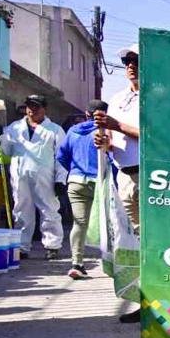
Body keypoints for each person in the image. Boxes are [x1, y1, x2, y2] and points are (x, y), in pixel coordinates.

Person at [0, 94, 66, 259]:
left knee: (49, 209)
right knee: (21, 211)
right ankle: (22, 246)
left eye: (36, 106)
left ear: (44, 108)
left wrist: (60, 180)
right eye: (30, 105)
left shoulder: (55, 130)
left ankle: (52, 246)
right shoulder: (14, 128)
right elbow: (5, 151)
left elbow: (61, 157)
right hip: (20, 176)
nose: (32, 109)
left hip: (45, 177)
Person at [95, 44, 141, 234]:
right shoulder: (116, 99)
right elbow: (112, 141)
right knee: (129, 233)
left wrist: (118, 125)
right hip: (123, 175)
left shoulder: (156, 97)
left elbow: (156, 137)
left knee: (151, 231)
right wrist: (104, 142)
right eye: (127, 61)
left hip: (146, 175)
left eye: (136, 61)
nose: (130, 65)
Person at [57, 110, 99, 279]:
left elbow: (61, 156)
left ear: (87, 113)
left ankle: (77, 263)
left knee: (79, 223)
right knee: (112, 222)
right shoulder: (105, 131)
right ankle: (115, 263)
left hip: (76, 181)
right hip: (100, 181)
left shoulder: (73, 131)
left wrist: (73, 171)